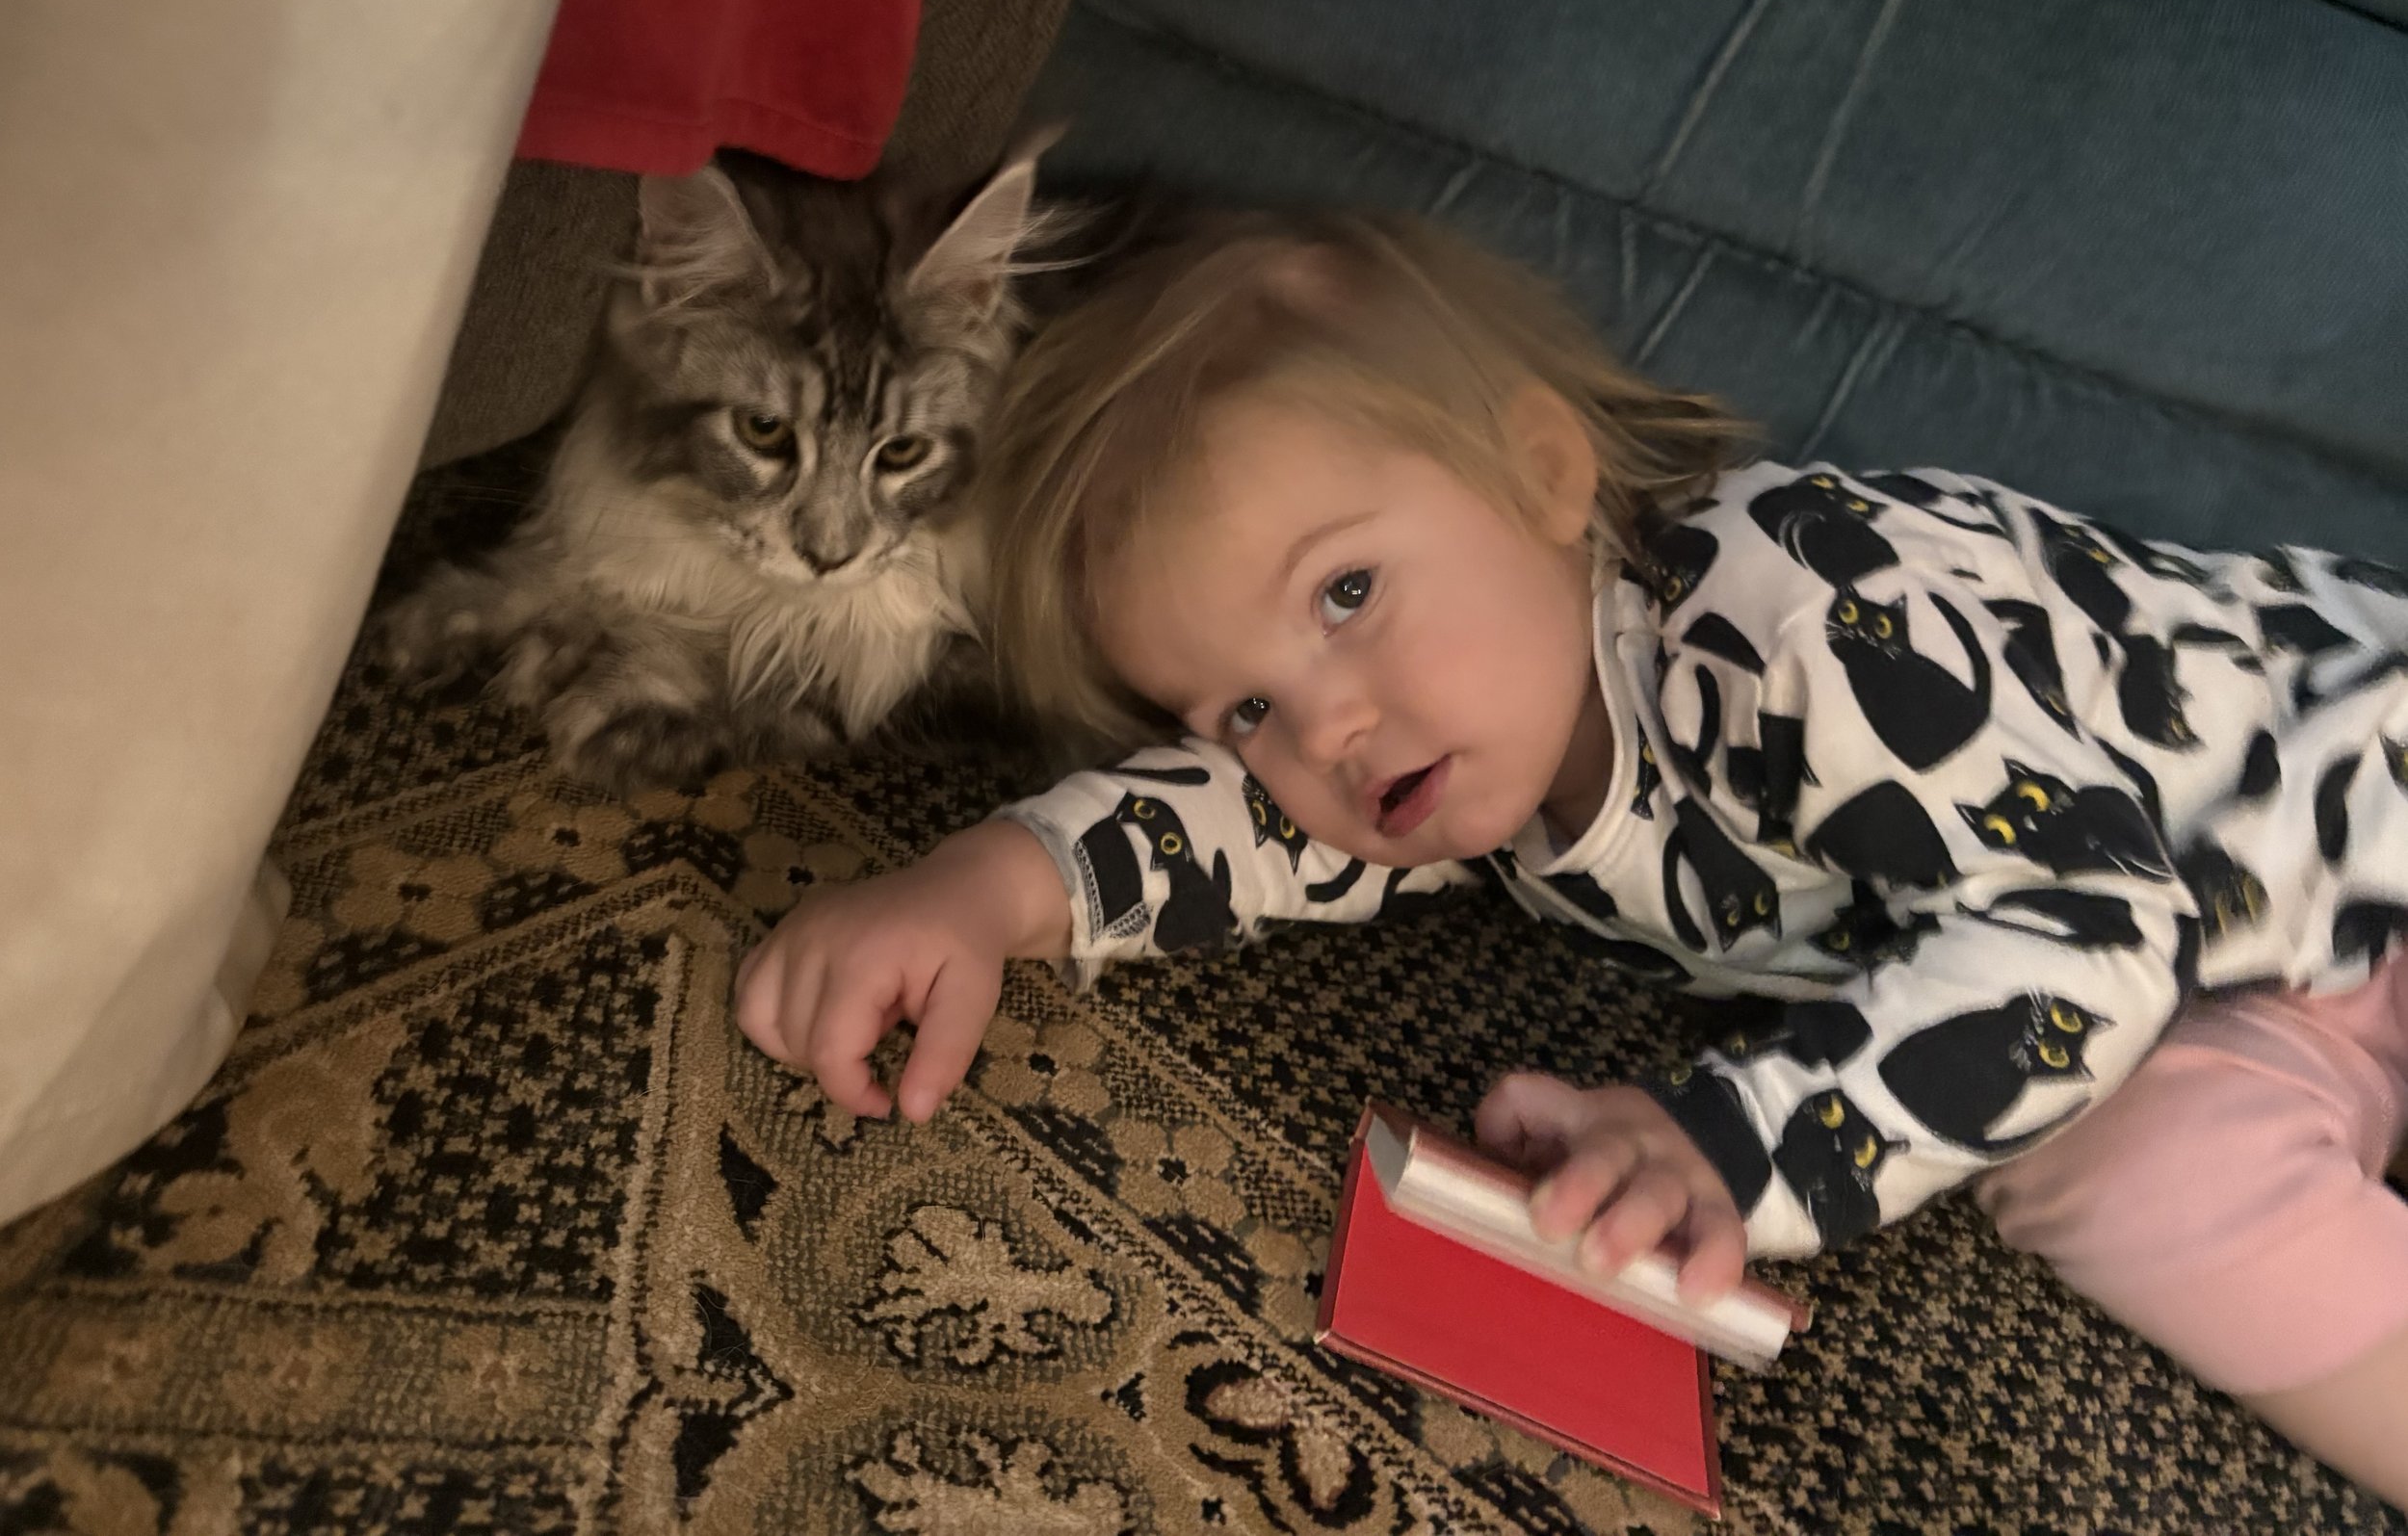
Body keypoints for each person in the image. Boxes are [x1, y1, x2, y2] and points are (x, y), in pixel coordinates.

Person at [733, 210, 2408, 1501]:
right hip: (2235, 981)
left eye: (1347, 593)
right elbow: (1232, 828)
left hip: (2353, 797)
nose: (1331, 730)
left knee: (2060, 1038)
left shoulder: (1802, 610)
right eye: (1244, 703)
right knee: (2101, 1166)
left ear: (1541, 473)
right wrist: (988, 889)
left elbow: (2086, 928)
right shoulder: (1479, 753)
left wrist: (1731, 1151)